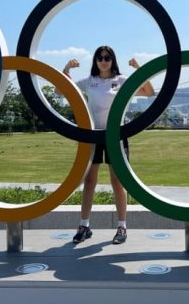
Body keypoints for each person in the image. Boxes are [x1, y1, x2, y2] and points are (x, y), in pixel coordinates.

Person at [62, 45, 154, 244]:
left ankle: (122, 227)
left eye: (107, 57)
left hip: (116, 136)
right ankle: (84, 226)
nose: (103, 61)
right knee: (89, 182)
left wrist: (139, 68)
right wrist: (66, 70)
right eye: (99, 58)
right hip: (92, 136)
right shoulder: (90, 82)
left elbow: (148, 92)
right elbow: (61, 90)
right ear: (95, 61)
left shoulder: (121, 80)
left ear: (113, 60)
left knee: (118, 183)